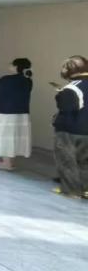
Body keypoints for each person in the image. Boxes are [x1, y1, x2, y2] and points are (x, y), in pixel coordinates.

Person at [0, 58, 34, 171]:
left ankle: (6, 163)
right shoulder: (28, 80)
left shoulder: (6, 79)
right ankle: (10, 161)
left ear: (16, 67)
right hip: (22, 113)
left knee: (5, 136)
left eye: (11, 64)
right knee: (15, 136)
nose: (9, 65)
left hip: (4, 112)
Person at [53, 55, 88, 199]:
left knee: (67, 161)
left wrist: (59, 95)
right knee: (84, 161)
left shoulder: (71, 87)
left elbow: (66, 108)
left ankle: (71, 191)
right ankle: (85, 190)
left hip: (70, 130)